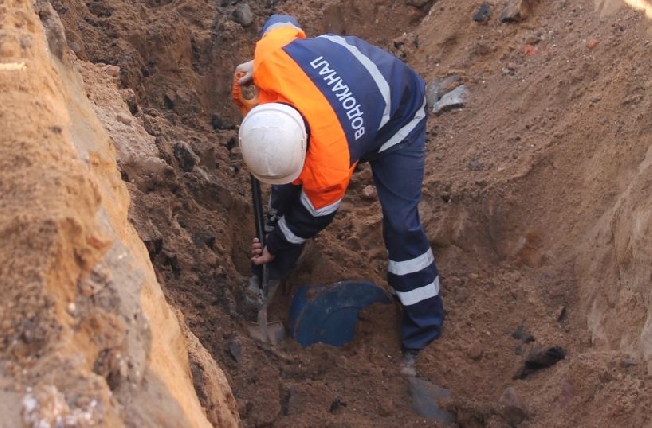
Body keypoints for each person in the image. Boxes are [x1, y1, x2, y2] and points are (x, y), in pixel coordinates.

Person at [233, 14, 444, 377]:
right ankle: (270, 277)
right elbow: (280, 19)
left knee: (401, 224)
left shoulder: (329, 165)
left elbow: (308, 218)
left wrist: (277, 241)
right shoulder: (272, 56)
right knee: (285, 192)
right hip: (349, 91)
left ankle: (421, 331)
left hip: (399, 112)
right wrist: (256, 63)